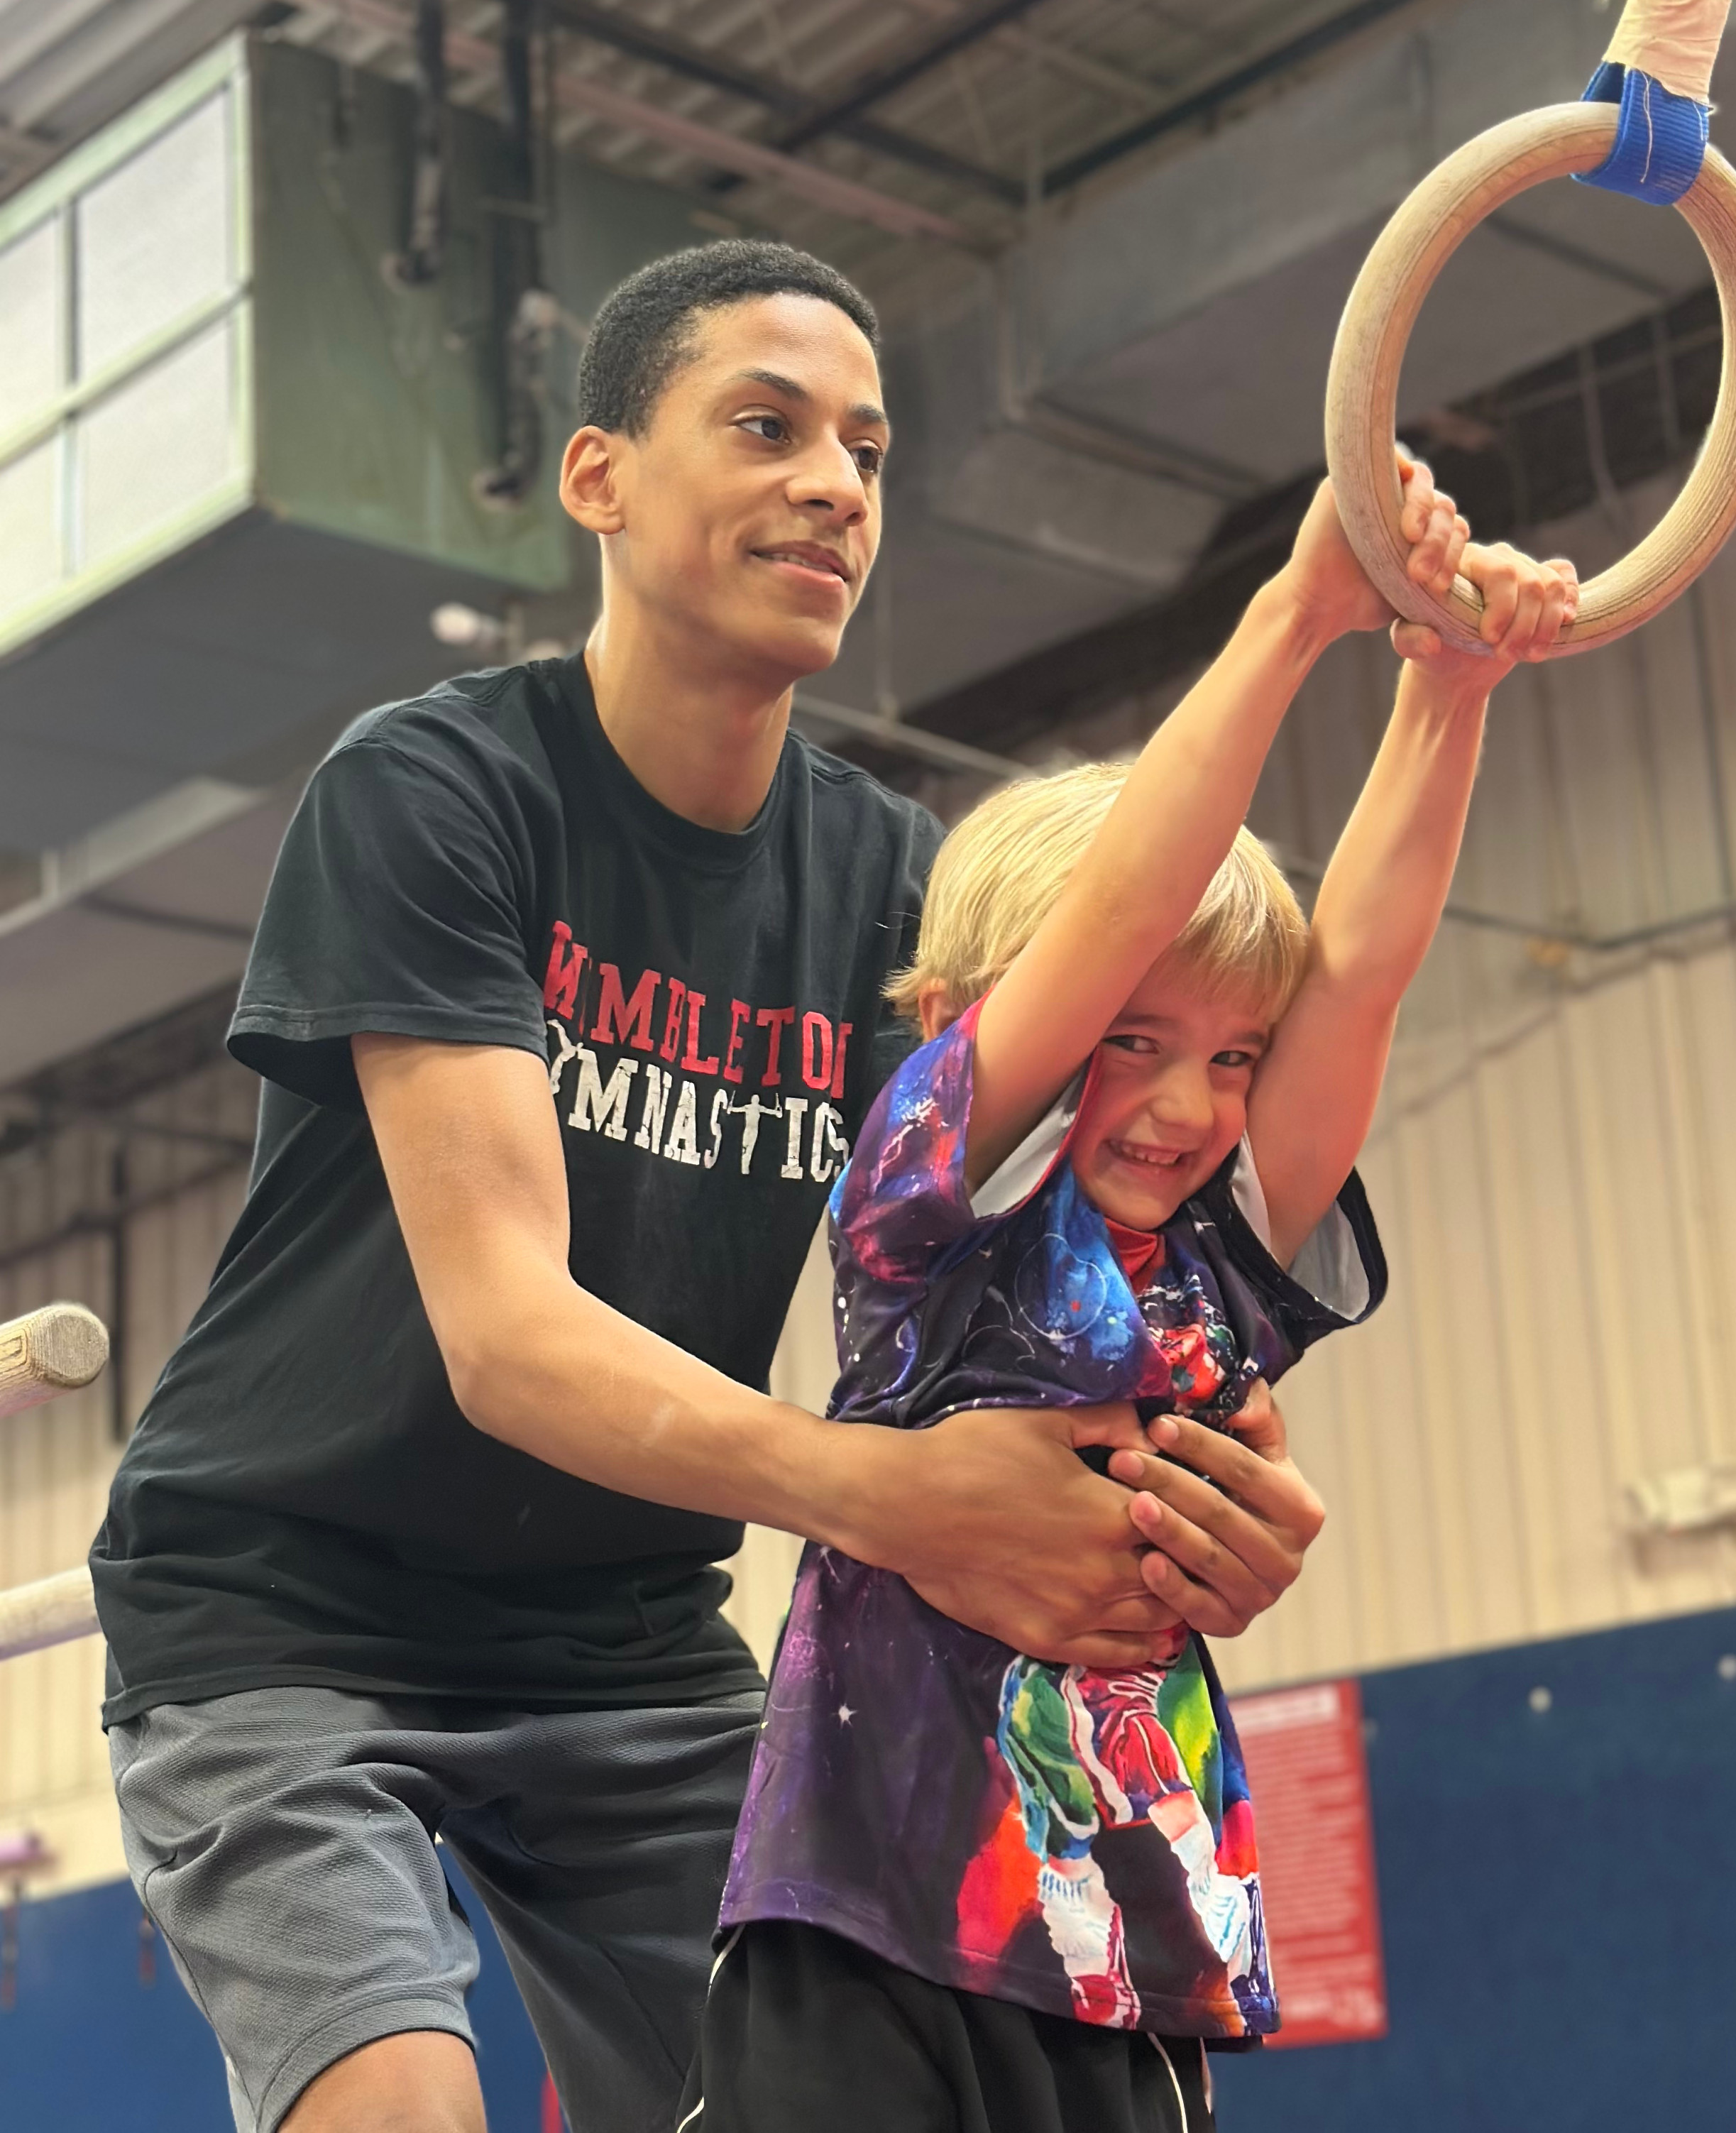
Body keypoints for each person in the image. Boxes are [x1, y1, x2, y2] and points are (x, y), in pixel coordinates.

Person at [89, 241, 1326, 2133]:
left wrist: (1194, 1494)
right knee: (400, 2106)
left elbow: (1092, 1233)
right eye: (766, 426)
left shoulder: (891, 890)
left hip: (627, 1634)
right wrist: (902, 1498)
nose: (834, 481)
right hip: (288, 1616)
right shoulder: (437, 791)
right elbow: (508, 1338)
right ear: (599, 478)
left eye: (865, 447)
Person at [688, 468, 1577, 2129]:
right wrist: (1292, 612)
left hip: (1123, 1945)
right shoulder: (928, 1207)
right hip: (867, 1912)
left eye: (1229, 1059)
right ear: (966, 1019)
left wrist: (1449, 688)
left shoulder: (1221, 1255)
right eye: (1134, 1044)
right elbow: (1119, 912)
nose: (1186, 1106)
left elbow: (1362, 971)